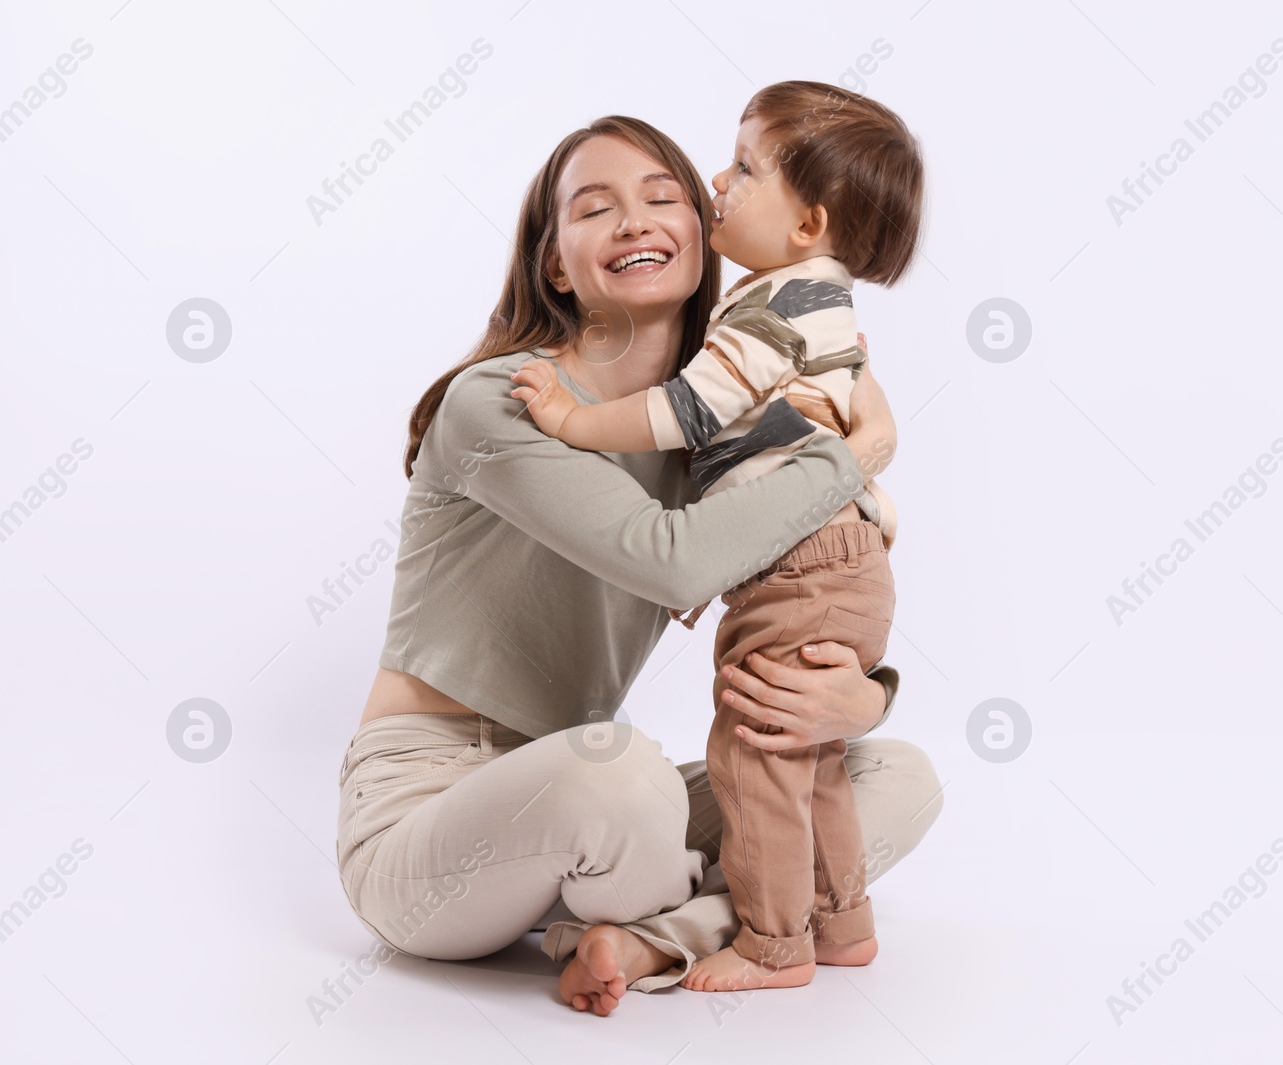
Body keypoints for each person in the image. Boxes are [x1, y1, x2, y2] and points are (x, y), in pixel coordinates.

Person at [334, 113, 943, 1018]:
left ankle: (647, 934)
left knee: (895, 776)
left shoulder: (725, 430)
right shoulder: (505, 401)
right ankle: (739, 906)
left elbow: (813, 588)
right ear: (555, 265)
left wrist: (861, 696)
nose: (634, 221)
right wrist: (858, 452)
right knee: (621, 771)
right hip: (430, 805)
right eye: (595, 208)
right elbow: (673, 561)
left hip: (593, 802)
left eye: (665, 197)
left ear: (707, 234)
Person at [512, 82, 923, 991]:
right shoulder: (818, 307)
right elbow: (846, 443)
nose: (715, 183)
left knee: (756, 753)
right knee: (809, 763)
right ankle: (841, 924)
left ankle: (776, 945)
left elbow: (692, 412)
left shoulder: (771, 311)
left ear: (809, 221)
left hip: (796, 564)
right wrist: (867, 487)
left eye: (743, 167)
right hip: (841, 560)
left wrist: (577, 424)